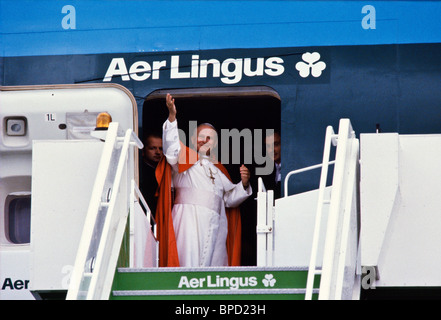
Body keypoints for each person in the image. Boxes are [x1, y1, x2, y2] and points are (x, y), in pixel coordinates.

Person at [155, 93, 252, 267]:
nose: (204, 141)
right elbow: (171, 150)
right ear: (193, 139)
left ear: (214, 144)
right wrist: (172, 117)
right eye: (201, 136)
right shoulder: (183, 158)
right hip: (189, 219)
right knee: (188, 263)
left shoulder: (218, 169)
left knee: (214, 268)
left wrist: (243, 185)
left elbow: (229, 200)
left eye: (210, 138)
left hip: (217, 223)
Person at [139, 132, 163, 216]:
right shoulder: (138, 171)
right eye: (153, 148)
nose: (158, 152)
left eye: (161, 148)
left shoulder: (166, 172)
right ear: (143, 151)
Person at [261, 130, 281, 199]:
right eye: (268, 146)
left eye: (275, 144)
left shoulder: (292, 165)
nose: (272, 150)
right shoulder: (266, 171)